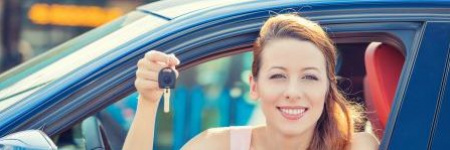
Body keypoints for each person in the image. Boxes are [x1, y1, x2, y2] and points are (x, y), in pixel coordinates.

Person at [123, 14, 379, 150]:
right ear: (254, 86)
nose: (292, 92)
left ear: (327, 87)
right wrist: (148, 101)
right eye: (278, 75)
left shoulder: (357, 147)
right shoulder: (216, 145)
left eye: (309, 77)